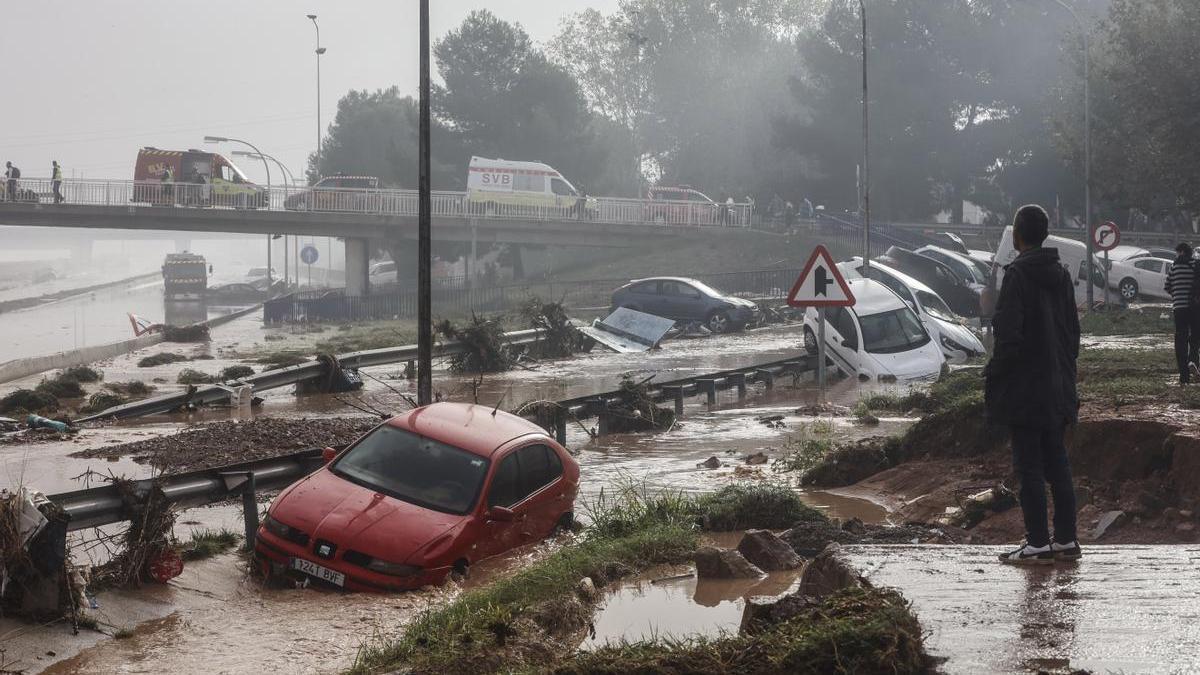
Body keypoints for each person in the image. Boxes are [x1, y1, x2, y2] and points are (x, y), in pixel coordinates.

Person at [985, 204, 1081, 564]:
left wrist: (996, 374)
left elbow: (1008, 335)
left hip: (1025, 389)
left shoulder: (1018, 276)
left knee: (1029, 468)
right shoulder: (1062, 276)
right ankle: (1067, 540)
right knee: (1057, 463)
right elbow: (1074, 334)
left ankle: (1038, 542)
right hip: (1058, 386)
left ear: (1017, 235)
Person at [1164, 242, 1200, 384]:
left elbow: (1167, 287)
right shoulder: (1195, 266)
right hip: (1194, 307)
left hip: (1179, 308)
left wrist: (1177, 293)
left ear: (1181, 252)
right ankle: (1193, 360)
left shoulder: (1174, 267)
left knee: (1180, 340)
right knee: (1195, 337)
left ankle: (1183, 376)